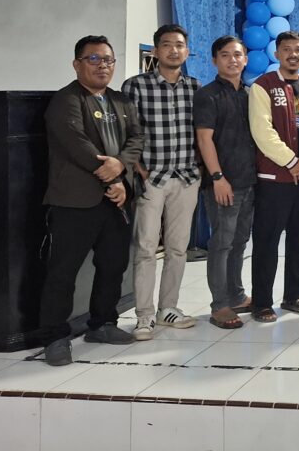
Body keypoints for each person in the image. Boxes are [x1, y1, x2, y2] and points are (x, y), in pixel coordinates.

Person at [40, 36, 145, 366]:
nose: (103, 66)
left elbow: (137, 138)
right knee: (63, 272)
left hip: (116, 201)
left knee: (113, 265)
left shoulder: (121, 101)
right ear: (77, 64)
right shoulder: (66, 100)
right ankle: (55, 337)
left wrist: (122, 166)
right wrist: (113, 178)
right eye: (94, 59)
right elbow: (77, 145)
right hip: (75, 201)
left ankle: (103, 323)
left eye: (108, 60)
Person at [122, 24, 200, 340]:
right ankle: (144, 315)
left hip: (186, 178)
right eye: (167, 45)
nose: (173, 50)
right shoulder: (135, 86)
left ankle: (168, 308)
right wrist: (137, 167)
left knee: (178, 248)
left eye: (179, 45)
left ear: (187, 51)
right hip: (151, 178)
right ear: (155, 51)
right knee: (145, 248)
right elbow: (127, 131)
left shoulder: (195, 88)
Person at [248, 30, 299, 322]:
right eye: (287, 49)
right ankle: (262, 302)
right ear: (276, 53)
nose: (293, 54)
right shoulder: (263, 86)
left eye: (298, 49)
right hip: (274, 180)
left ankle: (294, 295)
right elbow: (262, 131)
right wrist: (292, 162)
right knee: (266, 242)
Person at [194, 36, 256, 329]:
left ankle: (236, 295)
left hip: (249, 182)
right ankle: (219, 305)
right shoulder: (207, 95)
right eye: (225, 55)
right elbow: (204, 139)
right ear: (214, 60)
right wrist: (218, 178)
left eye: (237, 54)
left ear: (245, 59)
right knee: (221, 243)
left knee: (240, 242)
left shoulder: (251, 93)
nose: (233, 60)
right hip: (222, 183)